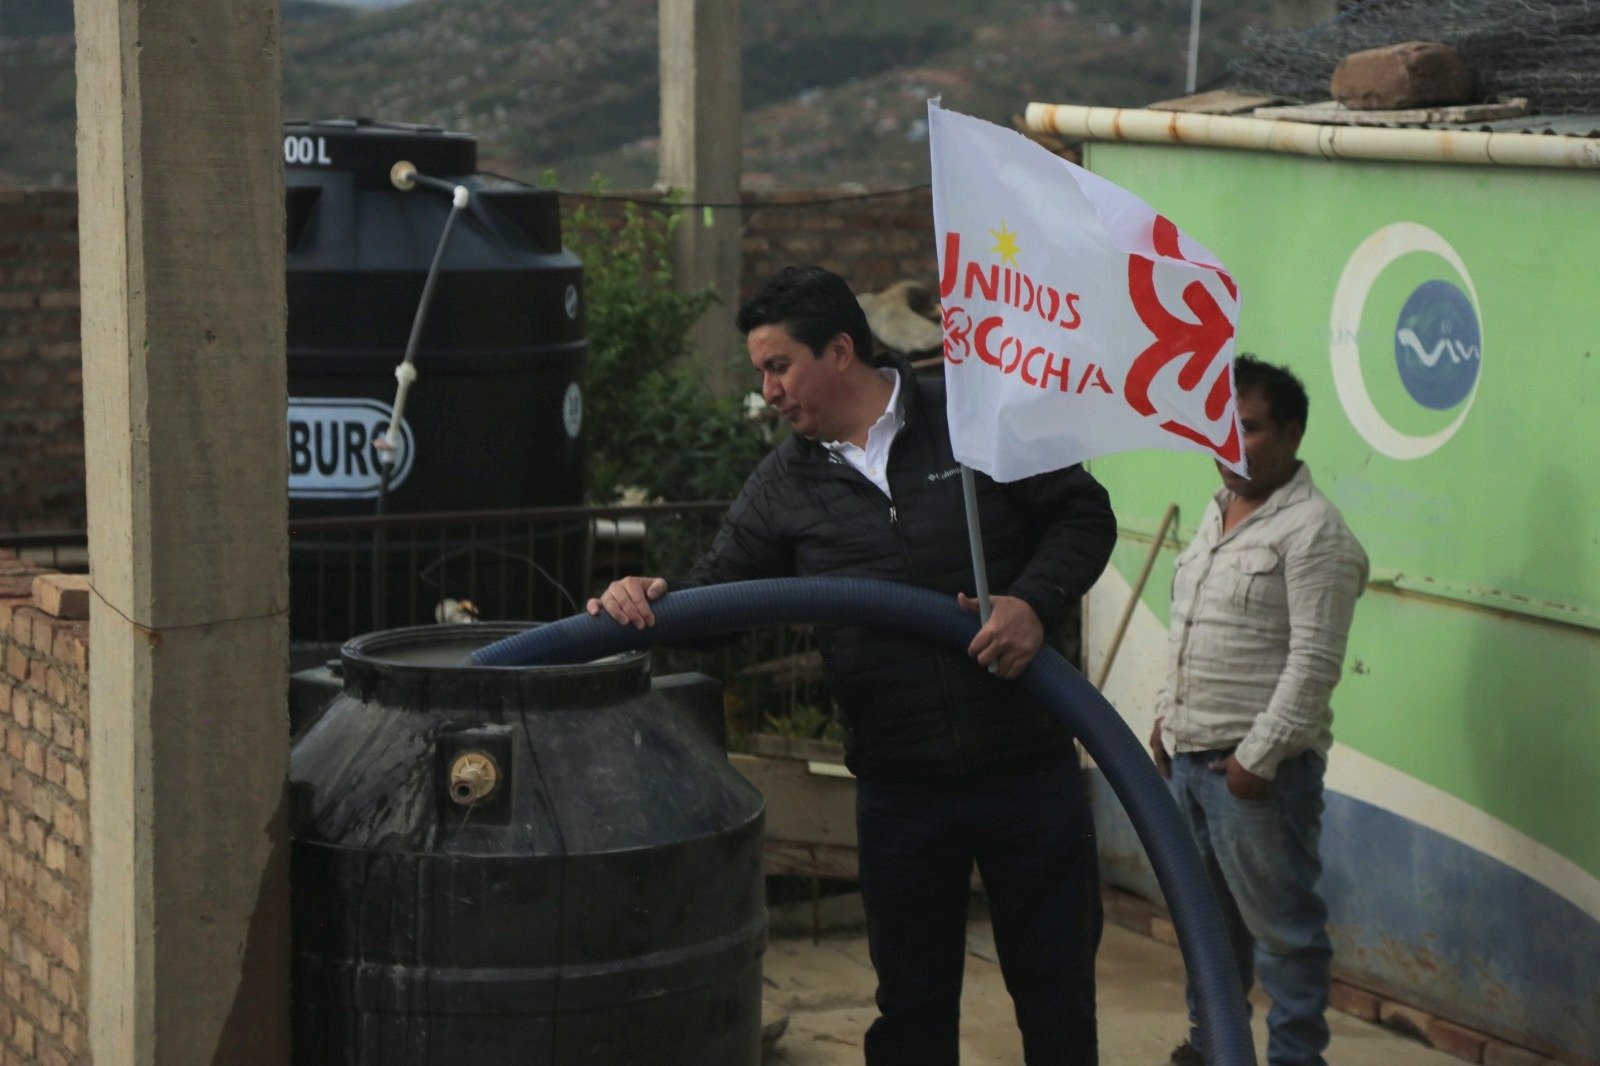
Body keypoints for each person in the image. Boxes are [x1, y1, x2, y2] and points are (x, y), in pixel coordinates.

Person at [589, 265, 1117, 1064]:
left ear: (839, 350)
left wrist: (1032, 602)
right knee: (911, 1010)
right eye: (761, 371)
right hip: (901, 787)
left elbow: (1083, 517)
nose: (768, 391)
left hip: (1025, 765)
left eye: (778, 366)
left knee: (1058, 997)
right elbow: (718, 601)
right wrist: (645, 599)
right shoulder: (783, 486)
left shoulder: (971, 420)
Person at [1148, 355, 1369, 1066]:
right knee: (1206, 928)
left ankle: (1296, 1059)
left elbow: (1315, 663)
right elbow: (1189, 629)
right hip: (1190, 763)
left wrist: (1257, 758)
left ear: (1293, 434)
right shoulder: (1216, 513)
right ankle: (1214, 1047)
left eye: (1249, 428)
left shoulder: (1314, 531)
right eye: (1219, 426)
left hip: (1254, 780)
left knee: (1284, 939)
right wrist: (1166, 716)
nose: (1231, 445)